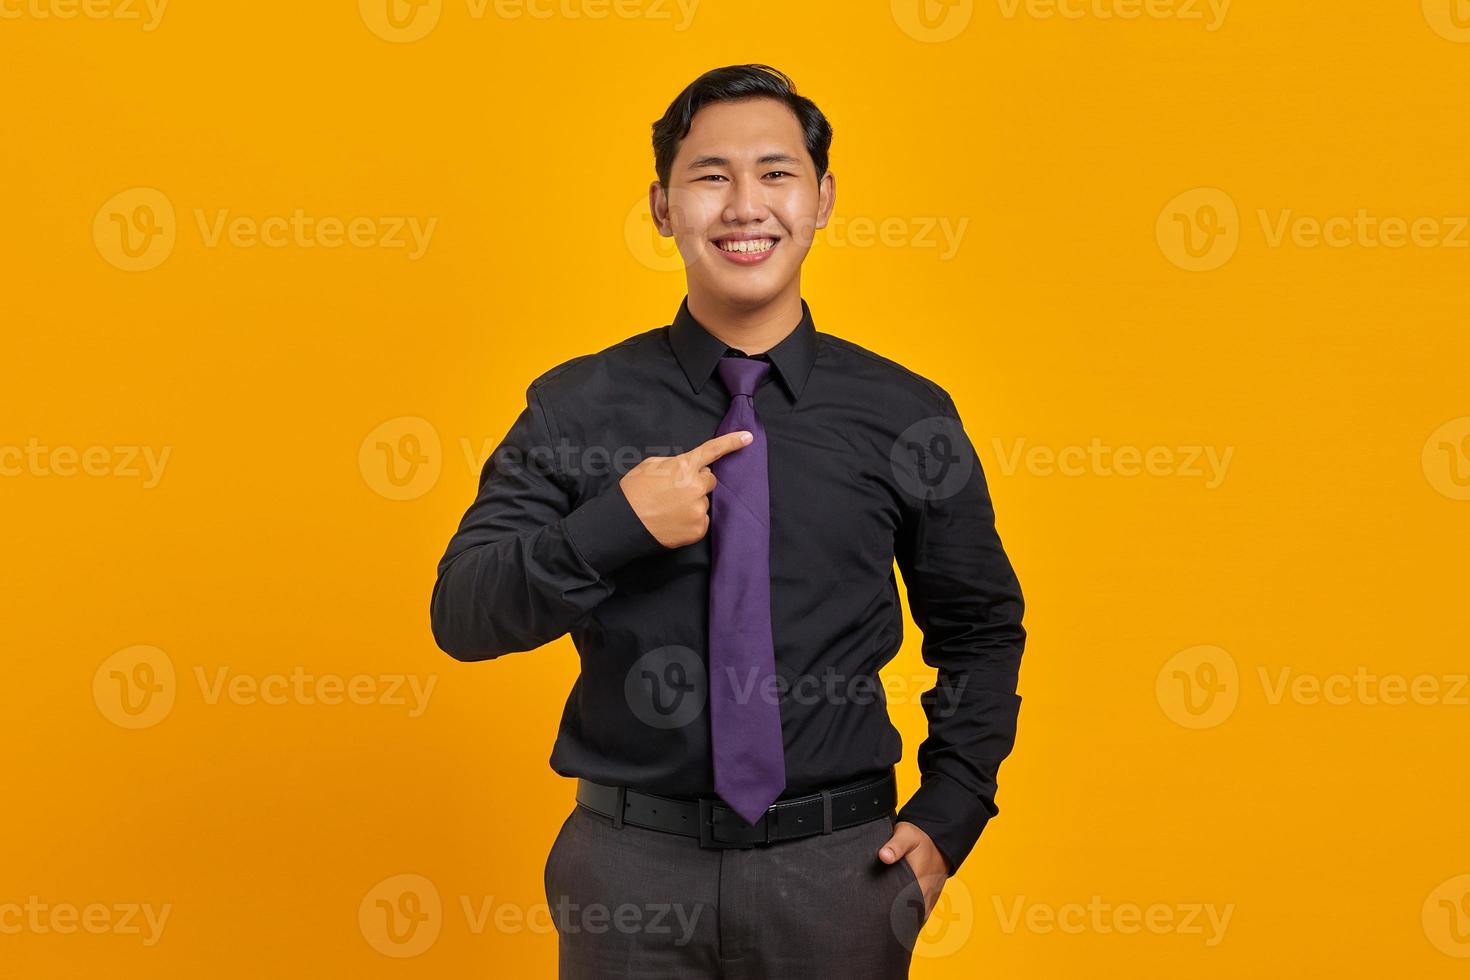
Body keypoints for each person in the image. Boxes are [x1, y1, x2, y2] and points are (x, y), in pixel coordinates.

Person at [430, 63, 1026, 978]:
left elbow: (981, 627)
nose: (746, 206)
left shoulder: (906, 413)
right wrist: (615, 524)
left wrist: (952, 813)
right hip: (629, 873)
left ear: (823, 198)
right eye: (710, 177)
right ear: (664, 208)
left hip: (841, 874)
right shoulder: (575, 407)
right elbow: (463, 615)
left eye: (776, 173)